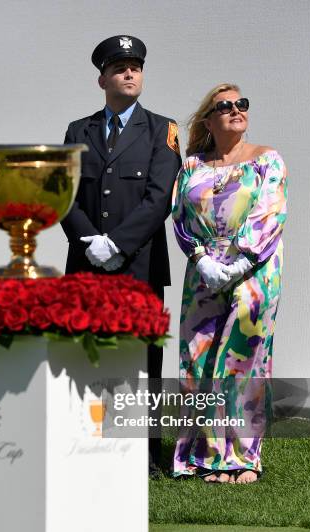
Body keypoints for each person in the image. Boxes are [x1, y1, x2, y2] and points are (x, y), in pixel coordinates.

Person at [61, 35, 181, 475]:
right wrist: (90, 241)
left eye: (135, 67)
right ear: (102, 79)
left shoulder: (161, 129)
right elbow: (65, 194)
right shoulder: (79, 131)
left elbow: (159, 198)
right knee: (88, 356)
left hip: (141, 265)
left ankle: (146, 455)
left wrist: (118, 244)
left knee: (143, 360)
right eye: (119, 68)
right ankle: (89, 444)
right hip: (88, 264)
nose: (129, 73)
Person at [171, 83, 288, 484]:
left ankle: (241, 458)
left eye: (242, 104)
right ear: (208, 119)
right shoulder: (191, 166)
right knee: (199, 358)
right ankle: (204, 454)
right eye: (225, 106)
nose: (236, 110)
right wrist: (201, 259)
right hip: (203, 272)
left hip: (254, 270)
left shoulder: (267, 159)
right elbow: (180, 216)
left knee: (241, 359)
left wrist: (239, 263)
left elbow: (270, 213)